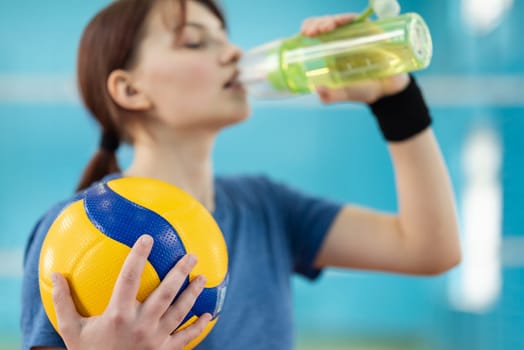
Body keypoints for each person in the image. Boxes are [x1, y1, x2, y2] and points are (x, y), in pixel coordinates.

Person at [21, 0, 462, 349]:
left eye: (225, 39)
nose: (234, 52)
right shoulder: (78, 230)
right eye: (195, 42)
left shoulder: (266, 206)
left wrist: (393, 99)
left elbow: (429, 247)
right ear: (130, 89)